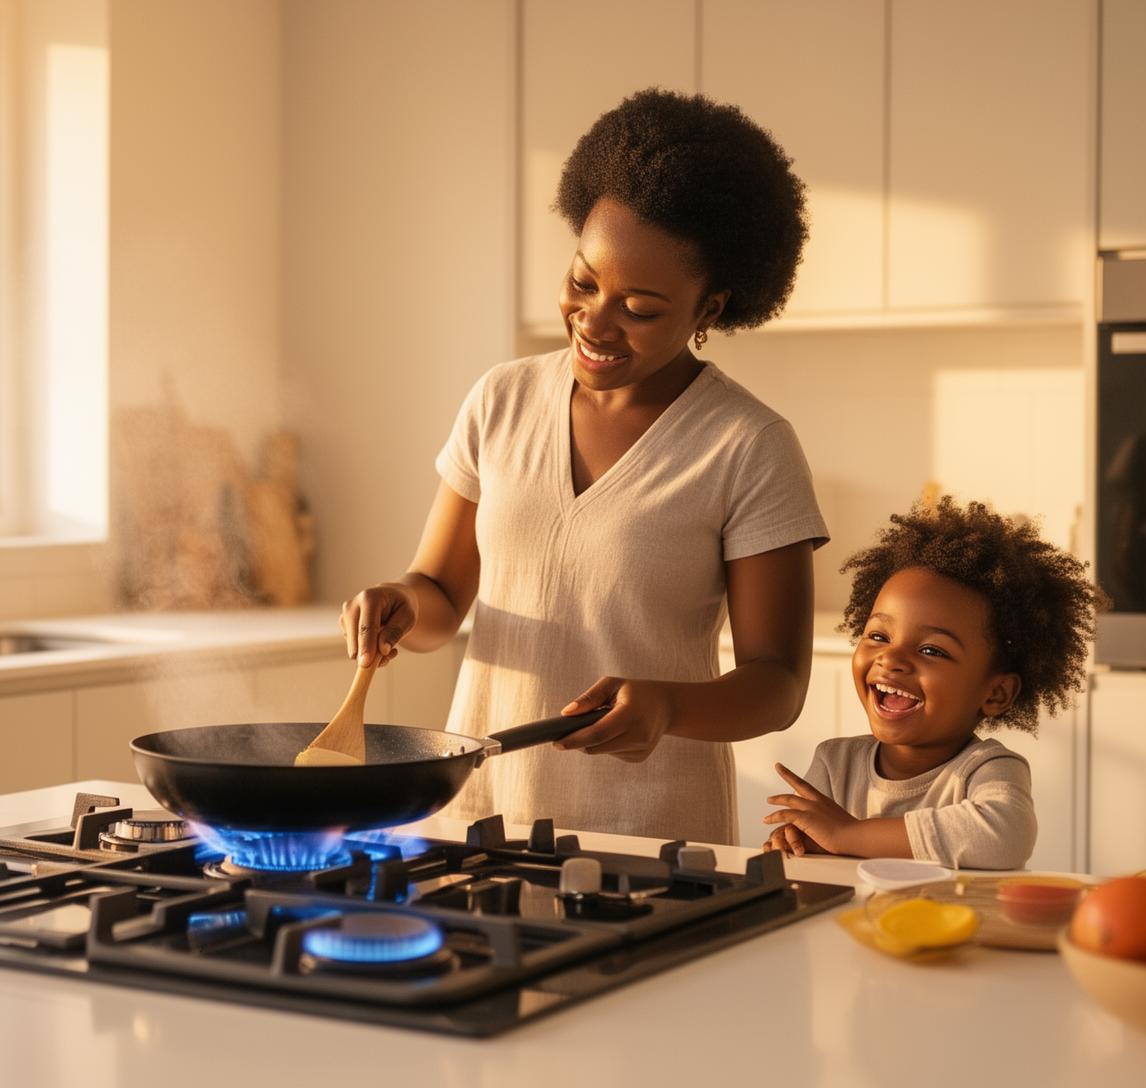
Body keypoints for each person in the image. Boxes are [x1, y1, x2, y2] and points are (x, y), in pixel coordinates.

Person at [339, 89, 825, 842]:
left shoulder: (748, 445)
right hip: (483, 820)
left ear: (710, 309)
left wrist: (666, 705)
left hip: (654, 839)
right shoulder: (501, 398)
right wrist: (398, 604)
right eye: (583, 282)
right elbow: (440, 595)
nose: (595, 322)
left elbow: (778, 685)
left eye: (641, 308)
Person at [763, 497, 1105, 869]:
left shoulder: (988, 768)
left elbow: (1006, 835)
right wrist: (795, 838)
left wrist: (849, 834)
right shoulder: (834, 764)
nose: (891, 659)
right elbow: (816, 853)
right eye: (879, 636)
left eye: (931, 650)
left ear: (996, 693)